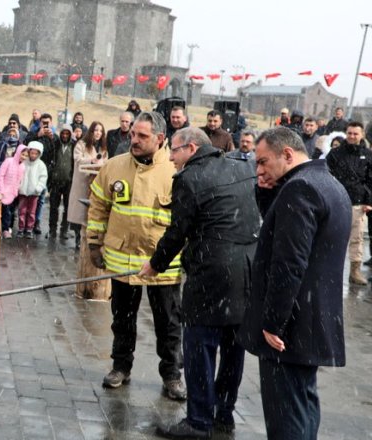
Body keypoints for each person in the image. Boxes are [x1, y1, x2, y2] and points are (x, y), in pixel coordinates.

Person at [142, 127, 260, 438]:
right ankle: (224, 415)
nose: (170, 157)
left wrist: (155, 265)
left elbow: (178, 231)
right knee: (234, 349)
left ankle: (198, 421)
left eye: (175, 151)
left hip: (211, 273)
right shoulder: (242, 166)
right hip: (246, 271)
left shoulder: (189, 179)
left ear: (191, 148)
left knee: (199, 348)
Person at [238, 127, 349, 440]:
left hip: (290, 327)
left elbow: (289, 263)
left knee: (287, 418)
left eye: (263, 162)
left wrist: (273, 322)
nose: (258, 169)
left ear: (287, 154)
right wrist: (264, 188)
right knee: (303, 406)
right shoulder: (327, 183)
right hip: (312, 322)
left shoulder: (300, 189)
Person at [87, 112, 185, 400]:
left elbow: (187, 219)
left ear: (160, 139)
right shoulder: (114, 166)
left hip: (162, 265)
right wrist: (94, 244)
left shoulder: (176, 170)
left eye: (143, 136)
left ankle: (172, 376)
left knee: (168, 324)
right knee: (122, 319)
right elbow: (98, 207)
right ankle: (121, 367)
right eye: (133, 134)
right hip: (121, 261)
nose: (135, 140)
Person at [326, 121, 372, 285]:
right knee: (332, 237)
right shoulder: (335, 154)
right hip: (337, 202)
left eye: (355, 133)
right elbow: (326, 176)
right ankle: (329, 269)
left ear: (361, 135)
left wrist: (369, 201)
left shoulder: (369, 155)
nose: (352, 136)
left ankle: (354, 272)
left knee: (357, 239)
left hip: (358, 203)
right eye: (349, 133)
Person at [67, 121, 106, 248]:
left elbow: (105, 162)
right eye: (96, 130)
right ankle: (78, 237)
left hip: (96, 182)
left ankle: (89, 238)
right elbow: (77, 159)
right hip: (83, 181)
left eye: (100, 131)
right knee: (80, 210)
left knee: (91, 211)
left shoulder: (103, 147)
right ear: (91, 131)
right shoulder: (82, 144)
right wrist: (91, 161)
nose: (98, 133)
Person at [44, 124, 75, 239]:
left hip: (69, 182)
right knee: (53, 207)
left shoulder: (74, 146)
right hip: (55, 181)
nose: (65, 135)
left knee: (67, 208)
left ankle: (64, 230)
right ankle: (52, 230)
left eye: (67, 133)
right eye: (63, 133)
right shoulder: (55, 145)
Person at [0, 144, 27, 239]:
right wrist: (1, 190)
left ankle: (5, 230)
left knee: (7, 213)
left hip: (10, 194)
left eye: (26, 155)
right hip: (0, 191)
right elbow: (0, 175)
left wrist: (15, 191)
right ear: (18, 153)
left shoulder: (22, 167)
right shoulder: (8, 161)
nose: (24, 157)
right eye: (22, 154)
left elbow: (18, 181)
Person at [17, 141, 48, 239]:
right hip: (22, 191)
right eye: (32, 153)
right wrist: (18, 186)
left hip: (34, 193)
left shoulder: (41, 165)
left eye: (36, 153)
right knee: (22, 210)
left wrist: (38, 188)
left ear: (39, 154)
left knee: (31, 212)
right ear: (29, 152)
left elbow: (43, 178)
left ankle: (29, 228)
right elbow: (18, 175)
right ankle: (21, 228)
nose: (33, 155)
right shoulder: (24, 162)